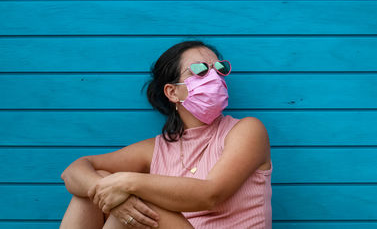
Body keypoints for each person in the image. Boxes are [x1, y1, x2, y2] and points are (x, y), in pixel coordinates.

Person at [60, 40, 272, 229]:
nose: (214, 76)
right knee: (92, 189)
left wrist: (125, 184)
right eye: (199, 70)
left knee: (136, 201)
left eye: (220, 68)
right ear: (172, 92)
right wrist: (107, 192)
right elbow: (73, 171)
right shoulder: (155, 149)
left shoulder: (246, 129)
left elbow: (211, 194)